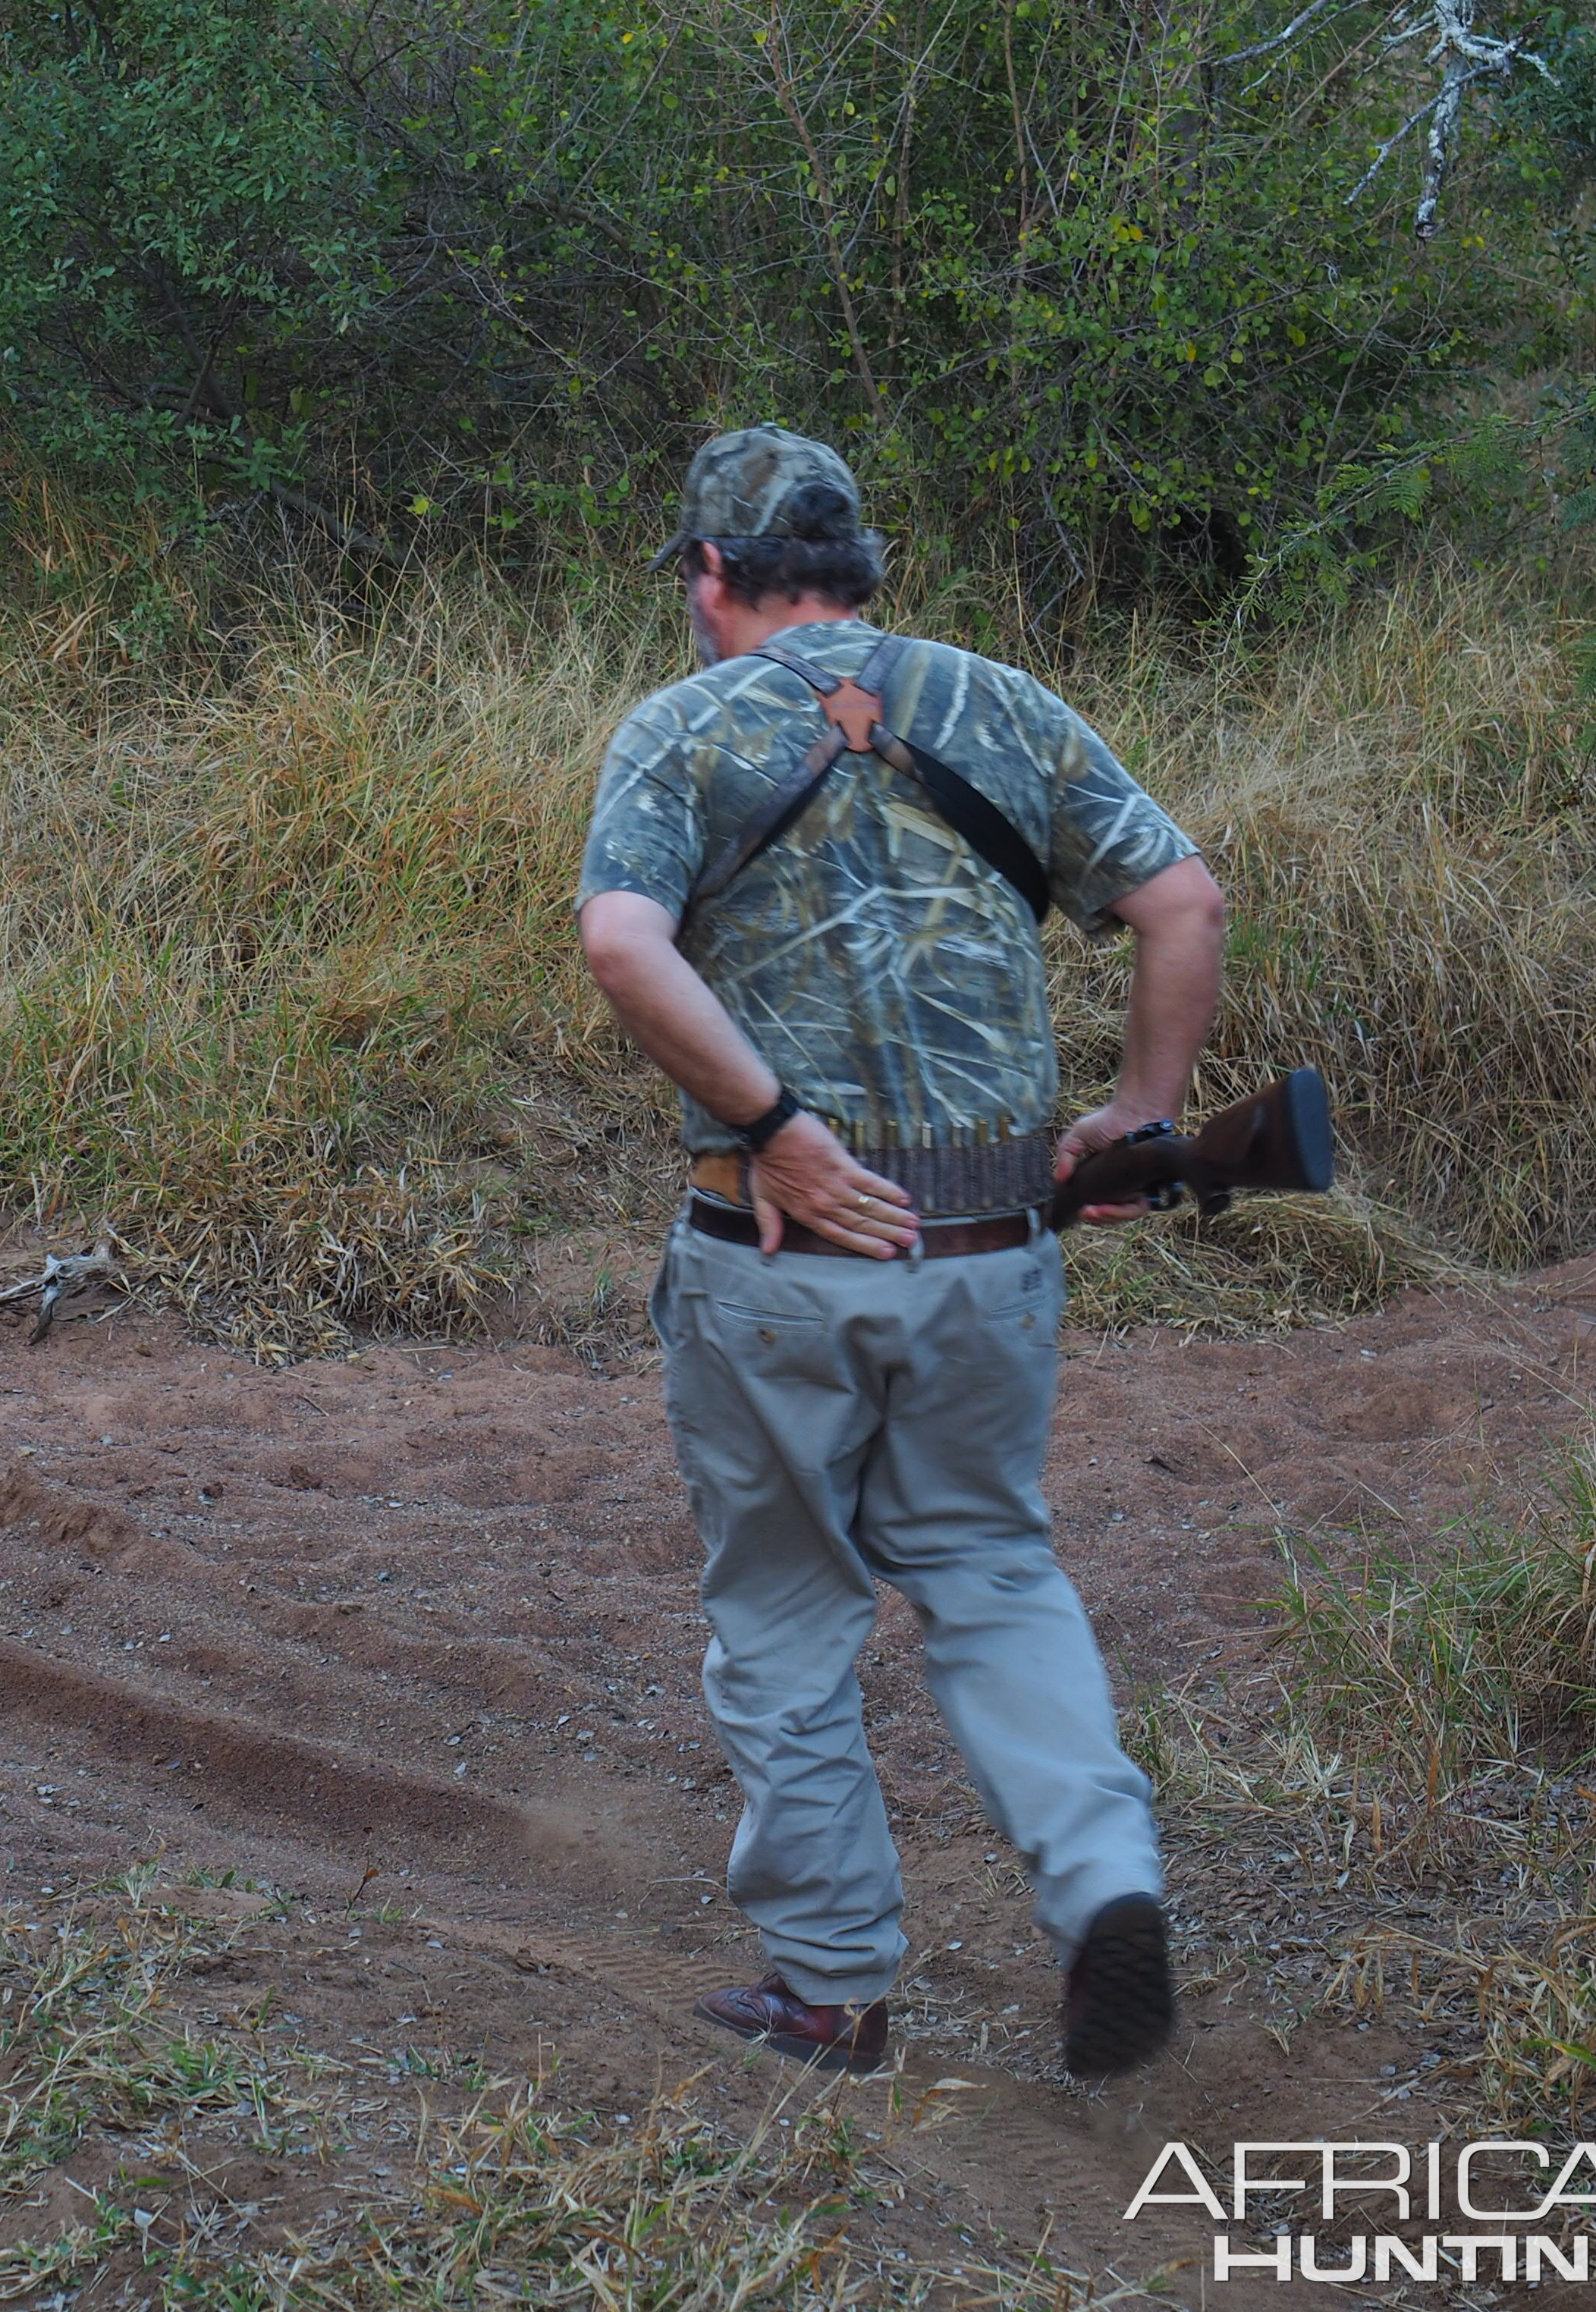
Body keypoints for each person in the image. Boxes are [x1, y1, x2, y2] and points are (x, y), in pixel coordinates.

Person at [575, 426, 1227, 2080]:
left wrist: (777, 1123)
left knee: (789, 1617)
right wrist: (1143, 1112)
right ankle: (1101, 1890)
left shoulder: (681, 728)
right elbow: (1183, 905)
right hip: (994, 1243)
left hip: (779, 1249)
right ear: (855, 567)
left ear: (711, 576)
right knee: (994, 1573)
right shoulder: (1003, 704)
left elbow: (619, 941)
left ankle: (833, 1985)